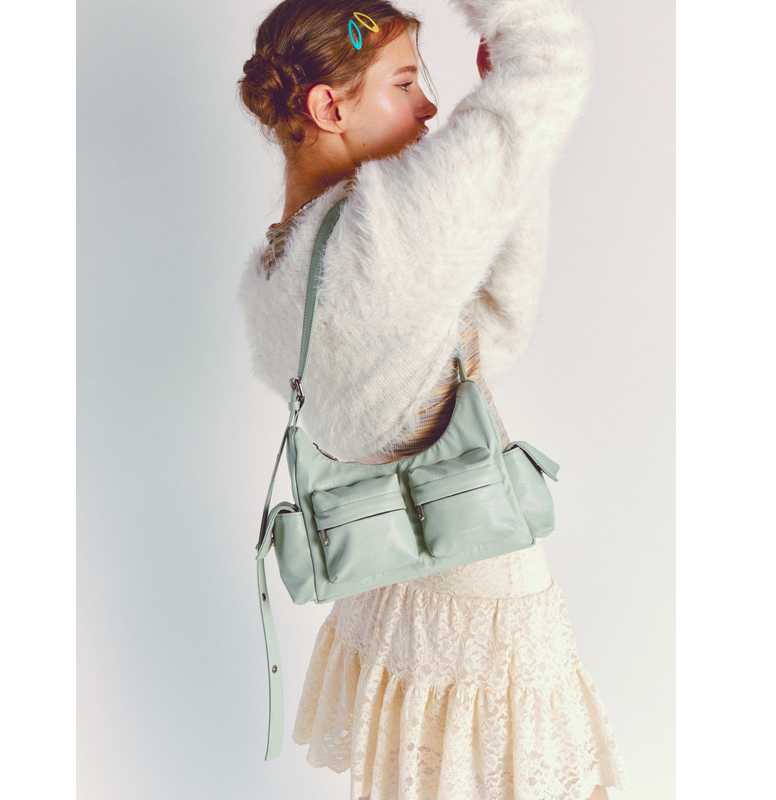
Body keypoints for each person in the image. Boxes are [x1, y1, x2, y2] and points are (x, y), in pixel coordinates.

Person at [237, 1, 630, 797]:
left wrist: (503, 169)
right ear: (328, 106)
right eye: (405, 82)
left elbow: (481, 337)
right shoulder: (389, 229)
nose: (429, 107)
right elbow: (552, 58)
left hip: (387, 568)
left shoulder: (275, 271)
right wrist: (504, 73)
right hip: (476, 580)